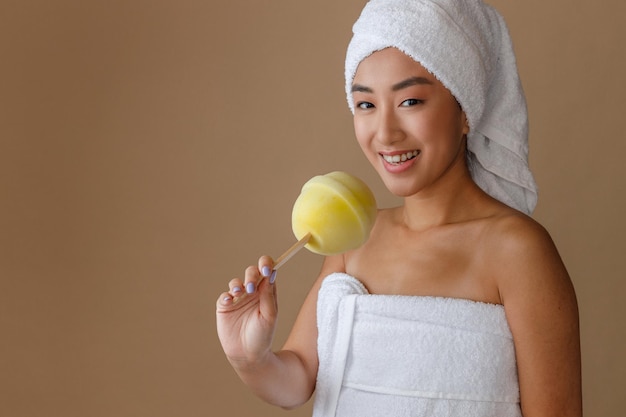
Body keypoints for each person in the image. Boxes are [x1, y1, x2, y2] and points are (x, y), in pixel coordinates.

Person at [215, 0, 582, 416]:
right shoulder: (354, 240)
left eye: (410, 102)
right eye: (366, 105)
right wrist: (250, 357)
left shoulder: (518, 251)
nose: (386, 133)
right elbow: (299, 379)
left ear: (465, 110)